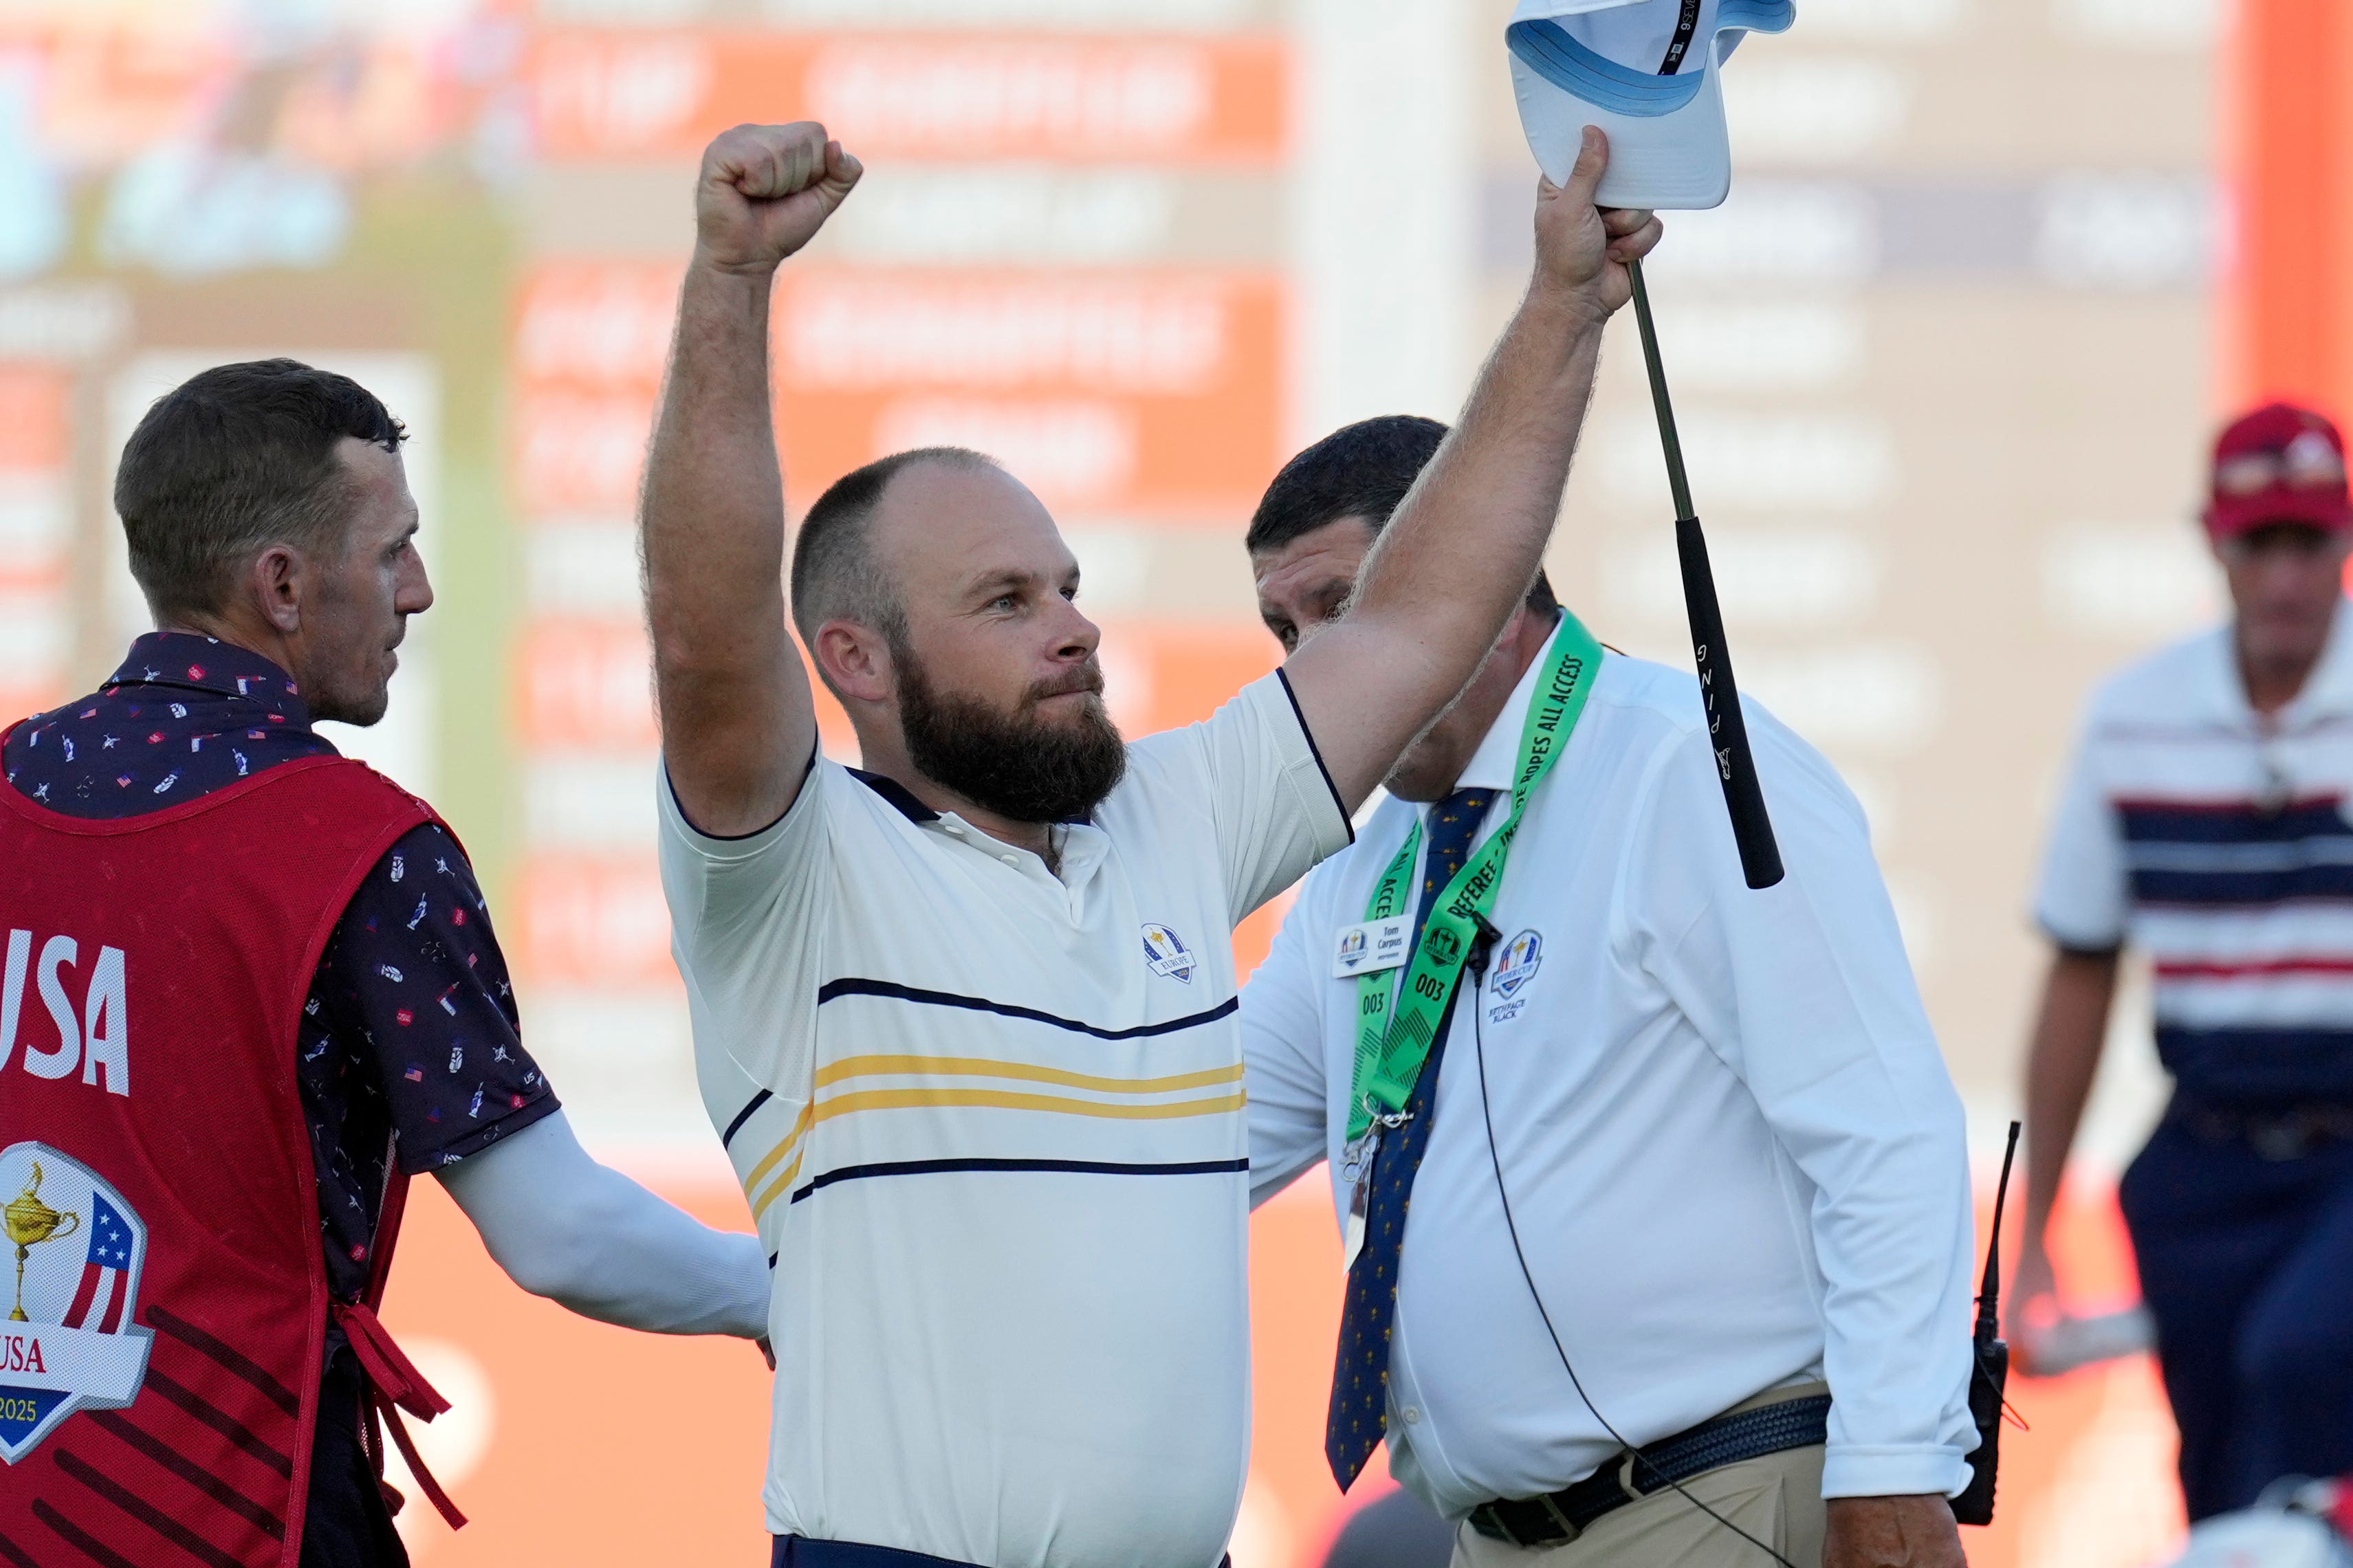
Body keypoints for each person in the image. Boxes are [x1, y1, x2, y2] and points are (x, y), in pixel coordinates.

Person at [642, 119, 1661, 1566]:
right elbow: (704, 637)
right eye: (1005, 601)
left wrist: (1563, 305)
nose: (1075, 624)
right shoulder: (790, 881)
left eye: (1066, 583)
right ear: (855, 659)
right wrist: (731, 284)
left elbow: (1425, 616)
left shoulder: (1174, 814)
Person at [0, 360, 771, 1568]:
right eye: (395, 548)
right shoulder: (357, 846)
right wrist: (784, 1294)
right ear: (285, 585)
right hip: (239, 1505)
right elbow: (555, 1231)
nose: (419, 590)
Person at [1240, 415, 1978, 1568]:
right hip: (1491, 1537)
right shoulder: (1361, 853)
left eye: (1335, 608)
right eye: (1281, 628)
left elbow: (1881, 1130)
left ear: (1475, 566)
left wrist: (1894, 1472)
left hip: (1718, 1500)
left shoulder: (1682, 761)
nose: (1305, 666)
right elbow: (1189, 1126)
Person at [2015, 401, 2353, 1521]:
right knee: (2216, 1480)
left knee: (2295, 1371)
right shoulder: (2134, 717)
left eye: (2308, 540)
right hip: (2202, 1158)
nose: (2287, 576)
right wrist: (2035, 1230)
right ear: (2213, 539)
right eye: (2262, 542)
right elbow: (2080, 971)